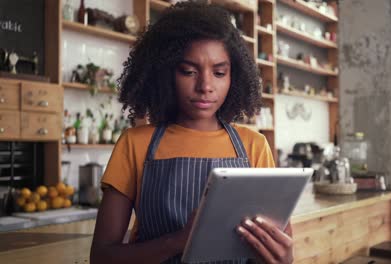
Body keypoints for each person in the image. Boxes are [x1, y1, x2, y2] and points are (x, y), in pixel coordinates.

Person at [90, 2, 294, 264]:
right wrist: (178, 241)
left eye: (219, 72)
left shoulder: (254, 146)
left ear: (234, 77)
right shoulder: (135, 144)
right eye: (188, 71)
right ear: (164, 73)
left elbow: (278, 248)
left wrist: (284, 258)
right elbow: (102, 257)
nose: (205, 86)